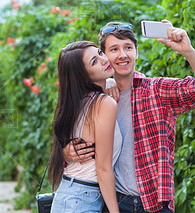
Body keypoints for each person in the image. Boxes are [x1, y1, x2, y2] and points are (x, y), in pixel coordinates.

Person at [63, 20, 195, 213]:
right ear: (104, 56)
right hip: (113, 202)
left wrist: (189, 52)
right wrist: (67, 153)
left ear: (136, 52)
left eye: (128, 47)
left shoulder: (157, 90)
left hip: (154, 203)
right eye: (113, 49)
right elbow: (85, 153)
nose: (122, 55)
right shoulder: (96, 100)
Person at [49, 41, 121, 213]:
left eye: (100, 53)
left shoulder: (75, 103)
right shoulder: (104, 104)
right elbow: (103, 169)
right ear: (82, 75)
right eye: (94, 62)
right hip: (82, 200)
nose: (104, 60)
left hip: (67, 195)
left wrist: (108, 82)